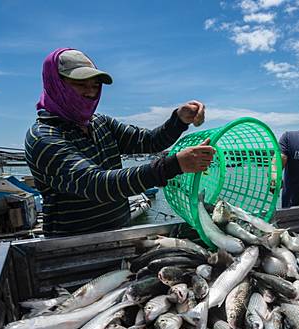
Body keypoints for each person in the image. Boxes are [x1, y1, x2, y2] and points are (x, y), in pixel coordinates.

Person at [25, 48, 214, 237]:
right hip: (71, 245)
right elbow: (96, 184)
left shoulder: (100, 123)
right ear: (56, 85)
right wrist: (173, 165)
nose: (91, 92)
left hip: (120, 234)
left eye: (95, 85)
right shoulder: (43, 138)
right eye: (80, 84)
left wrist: (179, 120)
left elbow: (148, 141)